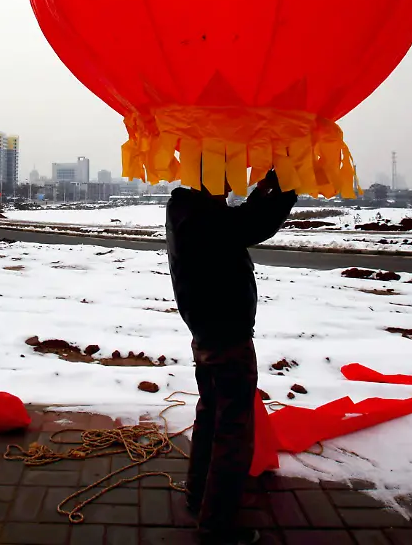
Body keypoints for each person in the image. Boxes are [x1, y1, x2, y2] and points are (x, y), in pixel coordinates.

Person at [166, 167, 297, 545]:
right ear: (206, 175)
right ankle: (217, 527)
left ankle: (198, 496)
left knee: (211, 415)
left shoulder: (188, 209)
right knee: (233, 432)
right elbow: (252, 226)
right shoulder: (204, 218)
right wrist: (284, 190)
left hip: (206, 332)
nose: (231, 181)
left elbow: (239, 223)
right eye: (225, 173)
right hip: (226, 337)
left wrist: (264, 190)